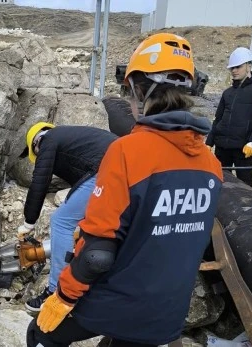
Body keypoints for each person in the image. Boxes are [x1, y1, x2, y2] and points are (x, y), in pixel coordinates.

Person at [26, 33, 223, 347]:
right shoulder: (211, 165)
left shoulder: (128, 152)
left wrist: (62, 296)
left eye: (129, 94)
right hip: (168, 313)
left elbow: (96, 256)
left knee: (40, 333)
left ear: (140, 90)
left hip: (121, 303)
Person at [18, 122, 118, 311]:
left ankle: (56, 291)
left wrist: (29, 221)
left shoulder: (48, 140)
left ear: (36, 142)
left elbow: (40, 181)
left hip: (107, 168)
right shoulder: (73, 141)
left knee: (61, 221)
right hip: (123, 168)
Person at [206, 47, 252, 188]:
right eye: (232, 68)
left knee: (245, 185)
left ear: (249, 65)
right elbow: (218, 119)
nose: (234, 71)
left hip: (242, 148)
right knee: (219, 181)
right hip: (222, 146)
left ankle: (248, 209)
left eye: (238, 67)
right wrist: (209, 142)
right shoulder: (228, 92)